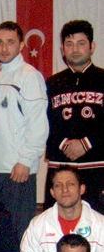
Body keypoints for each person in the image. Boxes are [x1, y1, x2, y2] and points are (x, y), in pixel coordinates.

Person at [0, 21, 48, 241]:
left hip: (17, 170)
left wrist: (26, 160)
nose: (4, 48)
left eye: (10, 42)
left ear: (21, 45)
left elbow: (38, 124)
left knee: (18, 234)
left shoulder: (29, 76)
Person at [45, 20, 104, 214]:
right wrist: (63, 144)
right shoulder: (52, 83)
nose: (75, 49)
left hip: (97, 167)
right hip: (61, 167)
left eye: (81, 43)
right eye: (69, 44)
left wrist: (86, 144)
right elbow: (43, 123)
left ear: (92, 46)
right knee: (57, 223)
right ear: (62, 49)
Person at [21, 165, 104, 252]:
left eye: (70, 184)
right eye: (59, 185)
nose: (65, 189)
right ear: (52, 193)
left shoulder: (100, 224)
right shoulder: (38, 225)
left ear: (82, 189)